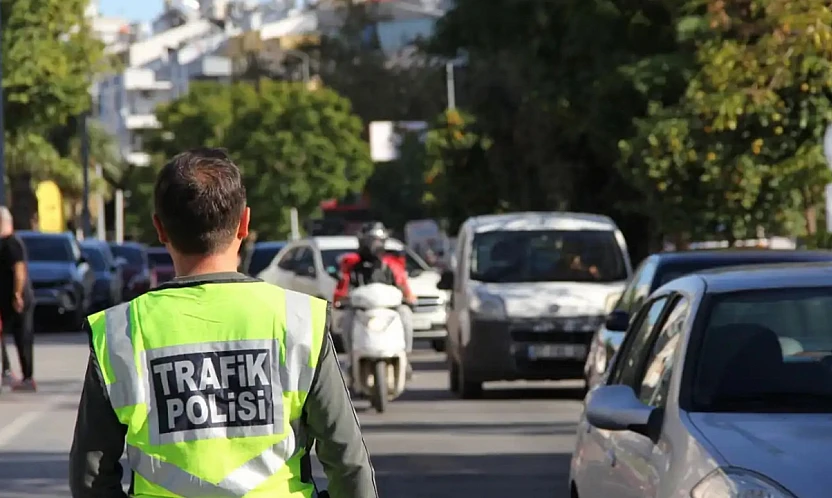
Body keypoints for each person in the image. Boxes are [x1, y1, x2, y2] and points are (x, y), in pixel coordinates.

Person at [69, 148, 378, 498]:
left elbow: (91, 476)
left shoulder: (122, 331)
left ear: (159, 228)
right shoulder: (298, 321)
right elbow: (348, 463)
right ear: (244, 223)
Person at [333, 222, 415, 376]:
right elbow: (341, 290)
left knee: (406, 315)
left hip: (389, 311)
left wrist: (409, 298)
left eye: (378, 240)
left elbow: (403, 286)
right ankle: (351, 359)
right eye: (371, 241)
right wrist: (341, 300)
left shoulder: (391, 264)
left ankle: (406, 357)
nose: (374, 245)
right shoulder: (352, 266)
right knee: (347, 320)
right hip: (361, 311)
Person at [0, 207, 36, 392]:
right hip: (5, 300)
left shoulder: (12, 243)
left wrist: (17, 294)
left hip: (17, 299)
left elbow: (19, 271)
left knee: (22, 337)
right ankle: (6, 370)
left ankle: (28, 378)